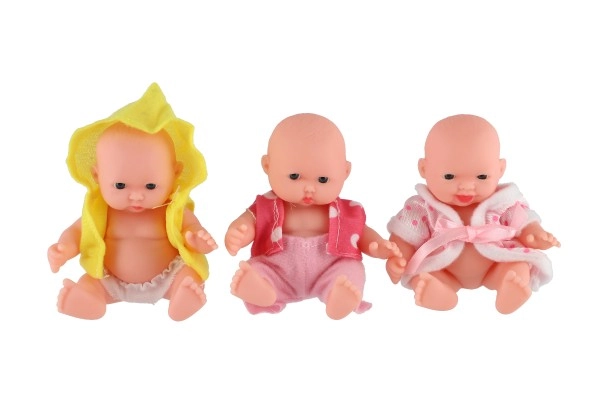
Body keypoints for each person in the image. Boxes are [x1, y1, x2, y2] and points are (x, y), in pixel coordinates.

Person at [48, 83, 216, 321]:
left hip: (167, 277)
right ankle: (89, 298)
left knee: (188, 275)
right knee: (91, 280)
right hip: (110, 280)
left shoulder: (172, 210)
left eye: (150, 186)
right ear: (97, 175)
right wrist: (65, 248)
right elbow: (77, 232)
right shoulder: (100, 212)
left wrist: (197, 240)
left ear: (175, 173)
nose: (136, 196)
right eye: (120, 185)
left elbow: (191, 228)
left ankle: (183, 295)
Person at [225, 113, 400, 320]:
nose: (309, 188)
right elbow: (249, 222)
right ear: (267, 165)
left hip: (330, 267)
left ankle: (337, 296)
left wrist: (377, 246)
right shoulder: (266, 206)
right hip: (278, 268)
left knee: (351, 269)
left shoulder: (347, 211)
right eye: (294, 176)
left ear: (345, 171)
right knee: (257, 268)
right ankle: (263, 291)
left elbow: (360, 233)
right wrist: (238, 233)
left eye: (323, 179)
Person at [386, 114, 559, 314]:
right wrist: (397, 258)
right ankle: (440, 293)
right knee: (423, 277)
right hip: (443, 268)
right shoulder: (422, 207)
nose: (467, 186)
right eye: (449, 176)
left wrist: (533, 234)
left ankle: (509, 288)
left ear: (500, 169)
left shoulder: (502, 202)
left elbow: (521, 219)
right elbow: (405, 235)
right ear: (424, 169)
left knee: (518, 266)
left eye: (482, 176)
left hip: (495, 264)